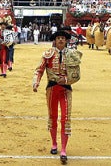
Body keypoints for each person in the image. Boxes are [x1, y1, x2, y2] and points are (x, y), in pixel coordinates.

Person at [32, 30, 82, 164]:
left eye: (63, 38)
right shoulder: (48, 54)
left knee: (65, 118)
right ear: (55, 40)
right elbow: (39, 69)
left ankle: (64, 149)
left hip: (65, 89)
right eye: (58, 38)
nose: (60, 40)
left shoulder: (72, 54)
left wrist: (66, 80)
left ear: (66, 41)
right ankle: (54, 144)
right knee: (53, 116)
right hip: (52, 89)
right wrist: (36, 82)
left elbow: (76, 75)